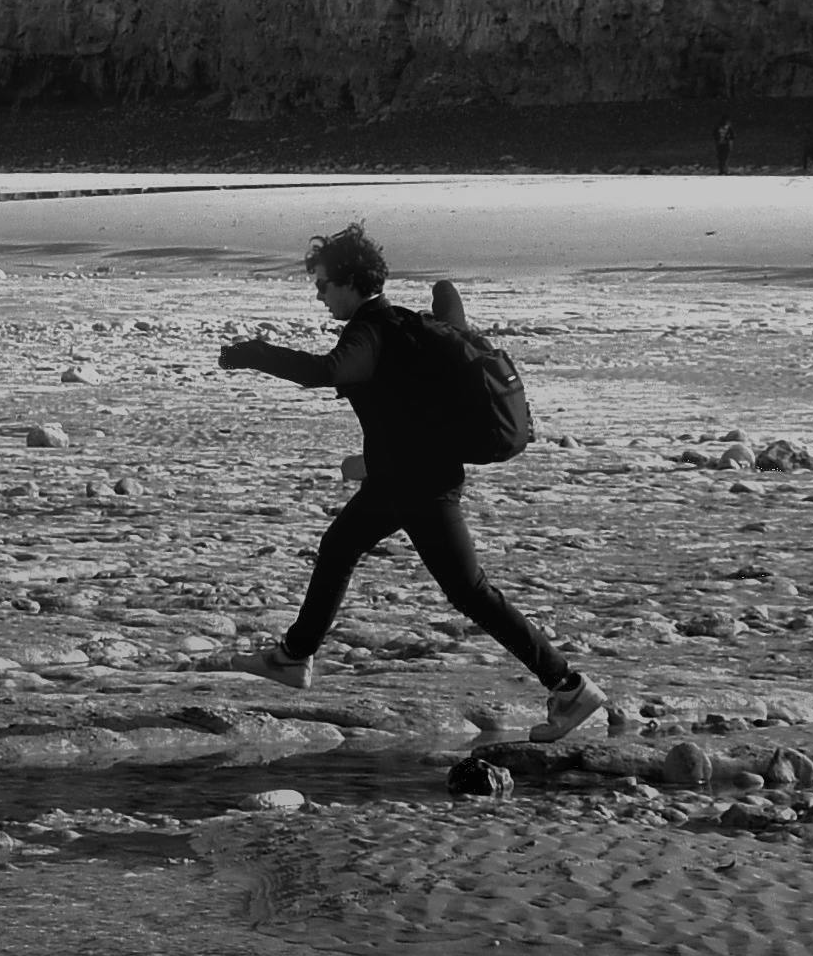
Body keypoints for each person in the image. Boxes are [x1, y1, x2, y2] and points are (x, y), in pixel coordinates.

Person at [213, 222, 609, 736]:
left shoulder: (370, 331)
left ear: (352, 282)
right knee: (337, 547)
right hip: (400, 479)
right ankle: (294, 655)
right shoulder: (404, 325)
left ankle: (568, 687)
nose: (319, 294)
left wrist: (255, 354)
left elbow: (328, 371)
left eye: (324, 284)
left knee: (470, 592)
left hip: (419, 486)